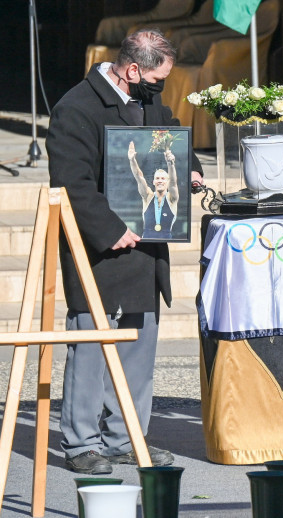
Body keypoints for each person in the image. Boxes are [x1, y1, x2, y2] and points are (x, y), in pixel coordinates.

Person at [47, 29, 204, 474]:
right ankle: (82, 444)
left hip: (147, 246)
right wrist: (111, 229)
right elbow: (70, 184)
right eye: (157, 78)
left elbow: (170, 136)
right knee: (92, 346)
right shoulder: (76, 107)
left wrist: (189, 168)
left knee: (139, 348)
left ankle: (126, 438)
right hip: (100, 249)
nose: (161, 88)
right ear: (133, 69)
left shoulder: (147, 98)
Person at [127, 141, 178, 239]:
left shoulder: (172, 199)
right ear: (153, 182)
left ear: (167, 182)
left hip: (165, 242)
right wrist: (132, 160)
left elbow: (173, 183)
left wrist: (170, 164)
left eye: (163, 179)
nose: (160, 181)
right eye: (157, 178)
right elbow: (139, 176)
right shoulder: (148, 196)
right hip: (146, 242)